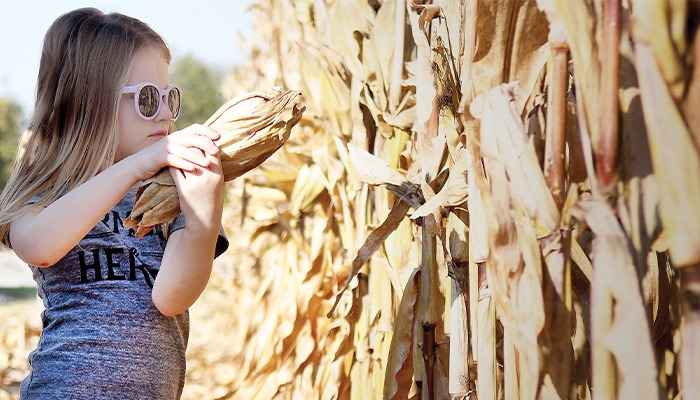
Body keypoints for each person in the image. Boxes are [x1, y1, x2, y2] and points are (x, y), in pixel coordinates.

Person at [0, 8, 229, 399]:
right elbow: (37, 247)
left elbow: (170, 298)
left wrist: (202, 224)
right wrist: (136, 167)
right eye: (147, 99)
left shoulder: (169, 195)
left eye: (169, 97)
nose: (165, 115)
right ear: (90, 102)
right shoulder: (49, 191)